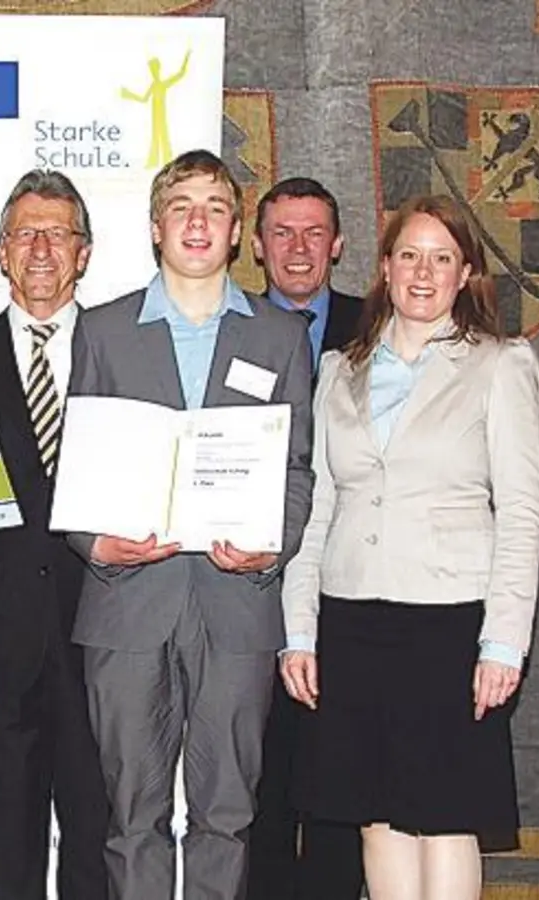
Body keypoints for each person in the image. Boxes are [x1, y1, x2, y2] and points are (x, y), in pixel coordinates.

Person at [64, 149, 315, 900]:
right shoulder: (104, 331)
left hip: (236, 607)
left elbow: (297, 469)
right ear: (155, 228)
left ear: (236, 232)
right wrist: (94, 542)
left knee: (227, 814)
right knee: (131, 815)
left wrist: (271, 547)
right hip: (126, 601)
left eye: (213, 207)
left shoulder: (280, 336)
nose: (197, 222)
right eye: (182, 207)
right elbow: (79, 460)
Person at [280, 194, 539, 900]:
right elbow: (319, 505)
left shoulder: (501, 365)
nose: (423, 274)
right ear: (385, 268)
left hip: (450, 623)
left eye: (442, 258)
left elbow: (523, 512)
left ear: (465, 275)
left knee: (445, 820)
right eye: (409, 256)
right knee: (375, 818)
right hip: (351, 619)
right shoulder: (339, 369)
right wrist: (298, 630)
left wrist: (504, 643)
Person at [0, 170, 110, 900]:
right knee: (5, 843)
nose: (41, 248)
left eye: (58, 233)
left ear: (85, 252)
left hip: (103, 633)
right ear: (1, 252)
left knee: (98, 839)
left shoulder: (124, 351)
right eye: (24, 234)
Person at [246, 176, 366, 900]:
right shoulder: (226, 328)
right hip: (250, 582)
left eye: (313, 233)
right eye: (282, 233)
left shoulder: (380, 324)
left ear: (339, 246)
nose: (297, 249)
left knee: (341, 783)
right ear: (255, 247)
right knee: (256, 777)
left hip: (351, 585)